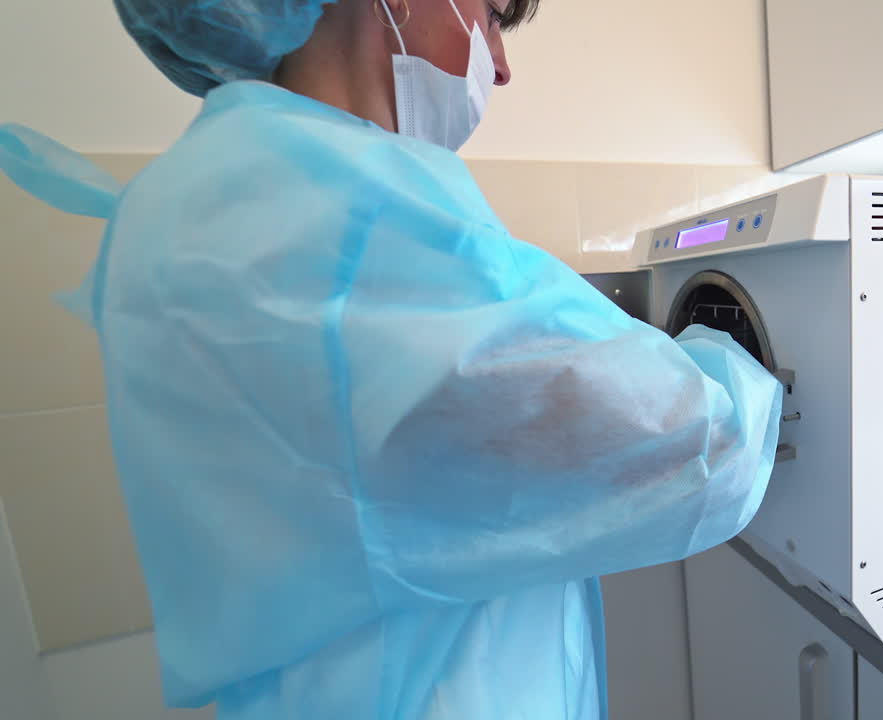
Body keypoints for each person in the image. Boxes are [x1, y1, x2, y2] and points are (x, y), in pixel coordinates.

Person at [0, 1, 783, 718]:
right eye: (489, 14)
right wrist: (736, 359)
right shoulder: (358, 221)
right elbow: (705, 446)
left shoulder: (189, 205)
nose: (501, 64)